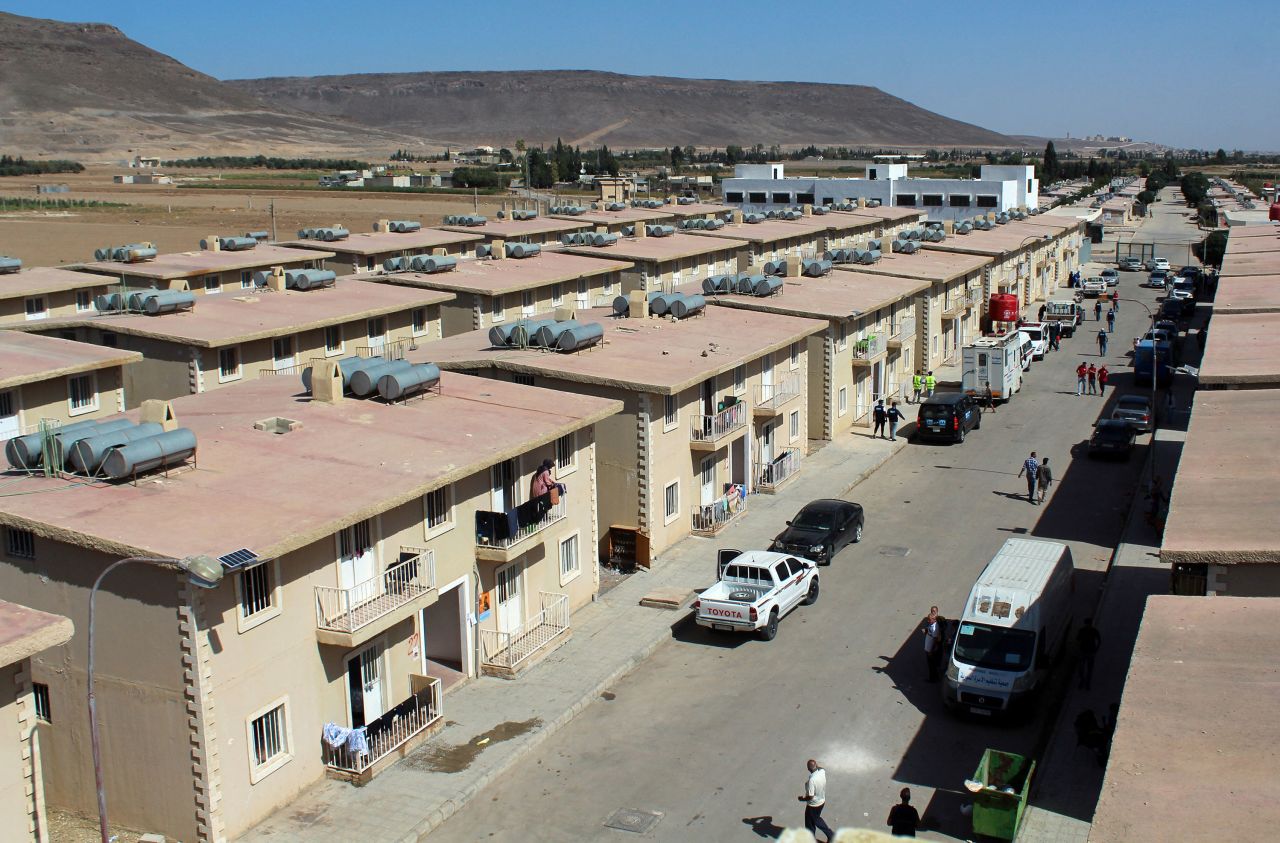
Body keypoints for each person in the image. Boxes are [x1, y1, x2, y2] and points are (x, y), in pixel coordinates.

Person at [798, 759, 835, 842]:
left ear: (808, 769)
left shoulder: (812, 780)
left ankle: (831, 835)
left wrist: (802, 799)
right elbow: (821, 768)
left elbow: (810, 796)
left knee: (815, 820)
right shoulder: (822, 772)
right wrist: (817, 766)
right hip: (822, 801)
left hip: (813, 804)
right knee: (809, 821)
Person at [1077, 618, 1102, 690]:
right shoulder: (1092, 631)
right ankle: (1085, 682)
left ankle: (1085, 682)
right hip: (1087, 651)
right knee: (1085, 668)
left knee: (1087, 668)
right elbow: (1099, 641)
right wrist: (1096, 649)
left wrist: (1096, 649)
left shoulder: (1085, 630)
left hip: (1087, 651)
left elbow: (1078, 640)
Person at [921, 606, 945, 682]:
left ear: (934, 620)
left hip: (930, 649)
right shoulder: (932, 625)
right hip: (928, 648)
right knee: (931, 664)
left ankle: (933, 678)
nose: (928, 621)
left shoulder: (935, 627)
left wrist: (931, 650)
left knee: (932, 665)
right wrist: (926, 631)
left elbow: (935, 640)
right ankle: (934, 677)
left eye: (929, 619)